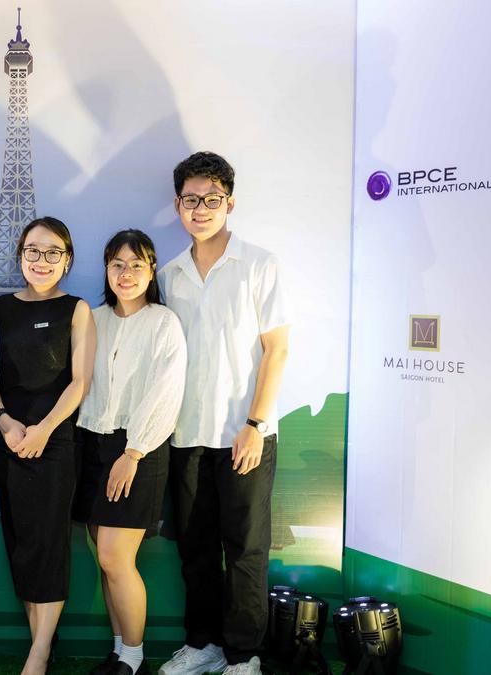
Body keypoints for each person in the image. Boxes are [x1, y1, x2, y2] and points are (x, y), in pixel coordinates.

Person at [157, 152, 290, 675]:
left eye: (212, 199)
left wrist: (255, 425)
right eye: (191, 199)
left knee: (245, 551)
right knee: (195, 551)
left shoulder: (259, 264)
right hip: (186, 434)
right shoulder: (168, 275)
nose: (201, 209)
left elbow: (277, 350)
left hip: (244, 435)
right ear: (177, 205)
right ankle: (203, 644)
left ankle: (243, 655)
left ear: (229, 203)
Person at [75, 229, 187, 675]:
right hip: (92, 441)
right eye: (117, 264)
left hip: (139, 448)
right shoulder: (93, 319)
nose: (126, 273)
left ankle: (135, 657)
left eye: (136, 265)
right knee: (104, 559)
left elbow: (166, 392)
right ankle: (119, 649)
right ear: (106, 269)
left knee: (115, 557)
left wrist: (133, 451)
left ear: (151, 270)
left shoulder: (164, 322)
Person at [0, 217, 96, 675]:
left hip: (55, 443)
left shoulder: (77, 309)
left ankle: (38, 654)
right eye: (33, 250)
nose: (42, 260)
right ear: (20, 256)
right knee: (22, 544)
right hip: (9, 439)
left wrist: (45, 429)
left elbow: (80, 382)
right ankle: (41, 644)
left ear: (67, 260)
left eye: (54, 252)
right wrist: (5, 421)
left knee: (50, 544)